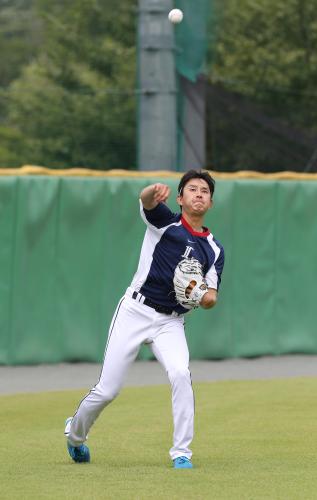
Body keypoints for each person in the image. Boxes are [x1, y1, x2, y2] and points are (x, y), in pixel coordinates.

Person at [64, 169, 225, 469]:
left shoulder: (214, 249)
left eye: (204, 190)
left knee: (180, 374)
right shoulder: (166, 223)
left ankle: (181, 453)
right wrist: (153, 190)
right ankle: (75, 436)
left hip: (171, 321)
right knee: (107, 390)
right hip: (135, 310)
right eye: (192, 189)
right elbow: (146, 200)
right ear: (180, 198)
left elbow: (211, 297)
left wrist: (198, 291)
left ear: (211, 203)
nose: (199, 194)